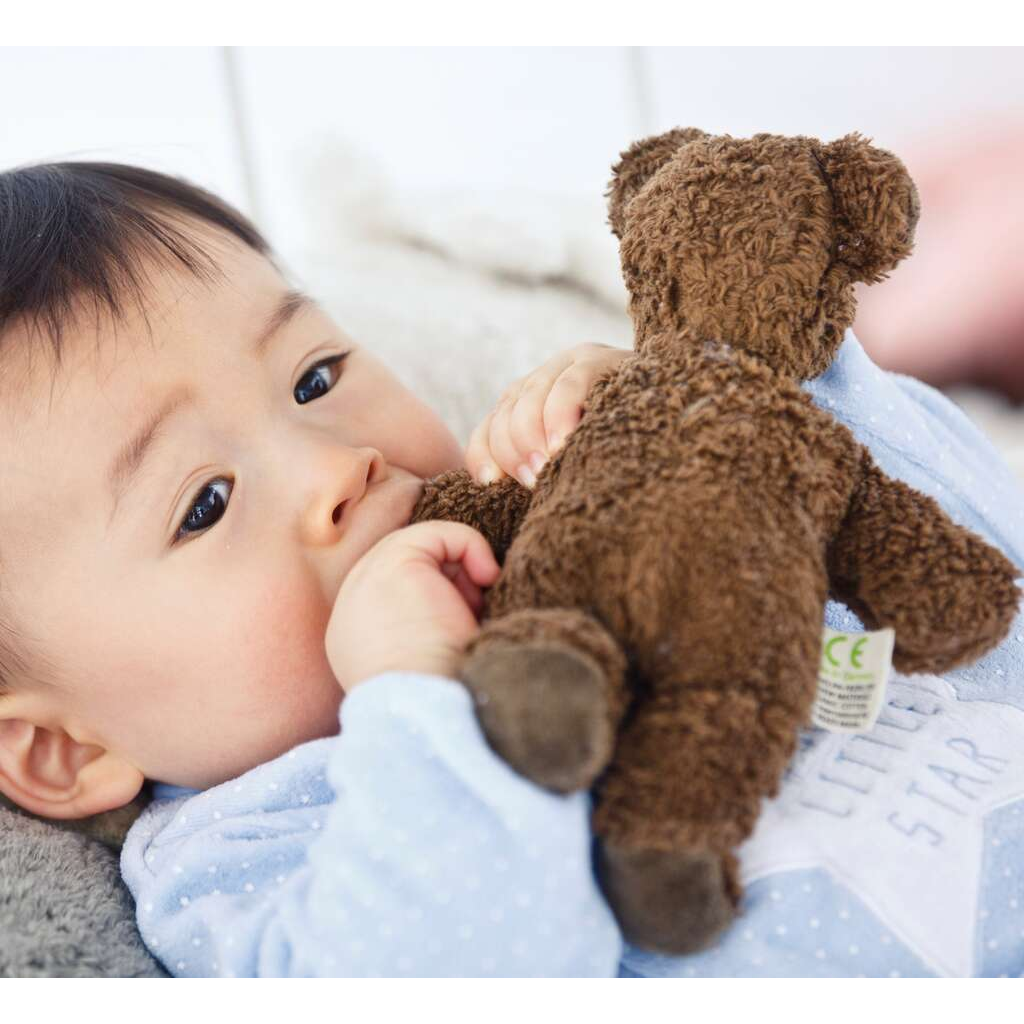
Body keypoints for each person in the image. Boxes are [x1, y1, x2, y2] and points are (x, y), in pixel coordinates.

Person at [0, 162, 1021, 978]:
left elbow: (968, 540)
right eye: (205, 503)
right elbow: (471, 967)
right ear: (59, 750)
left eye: (314, 378)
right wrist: (419, 699)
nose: (338, 466)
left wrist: (710, 414)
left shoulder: (571, 521)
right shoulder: (240, 854)